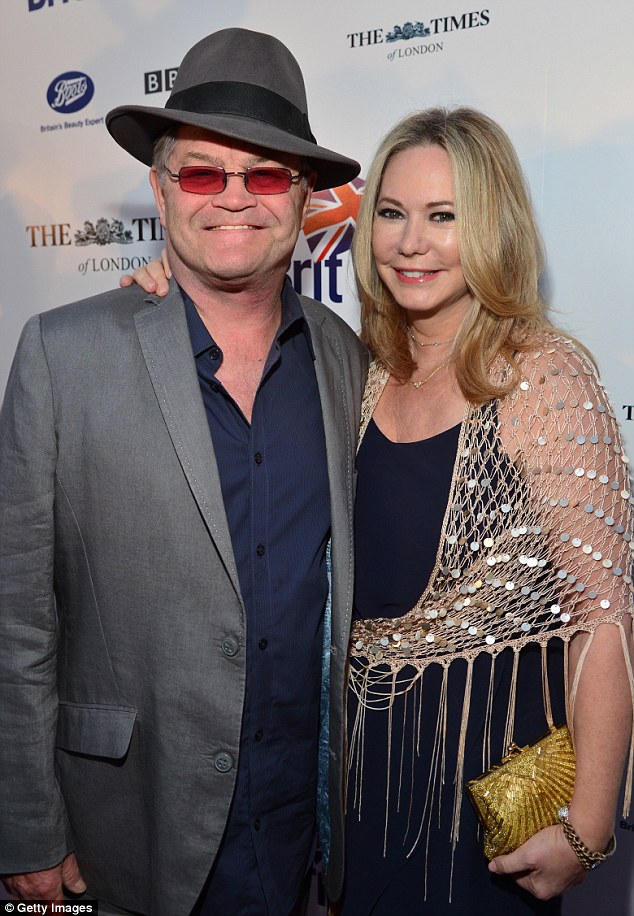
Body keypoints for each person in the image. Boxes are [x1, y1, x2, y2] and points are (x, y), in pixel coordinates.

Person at [127, 107, 634, 916]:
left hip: (483, 798)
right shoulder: (361, 366)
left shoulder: (541, 375)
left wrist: (589, 823)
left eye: (444, 217)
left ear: (492, 226)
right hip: (356, 782)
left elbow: (602, 620)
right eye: (392, 214)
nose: (410, 241)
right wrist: (163, 292)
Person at [0, 28, 368, 916]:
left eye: (265, 175)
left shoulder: (346, 357)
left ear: (305, 197)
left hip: (301, 832)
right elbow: (17, 620)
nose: (234, 199)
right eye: (202, 173)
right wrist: (26, 826)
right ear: (162, 191)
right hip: (129, 828)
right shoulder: (63, 353)